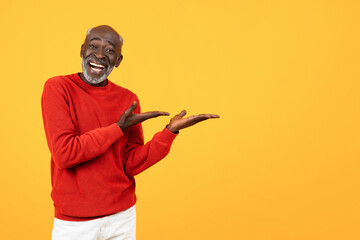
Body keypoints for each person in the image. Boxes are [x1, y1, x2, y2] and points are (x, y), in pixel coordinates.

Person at [41, 25, 219, 240]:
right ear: (81, 50)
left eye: (109, 50)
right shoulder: (58, 87)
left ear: (118, 60)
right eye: (93, 46)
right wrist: (117, 128)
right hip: (75, 224)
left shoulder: (127, 99)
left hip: (121, 219)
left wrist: (169, 132)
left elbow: (130, 164)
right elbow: (65, 154)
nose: (99, 55)